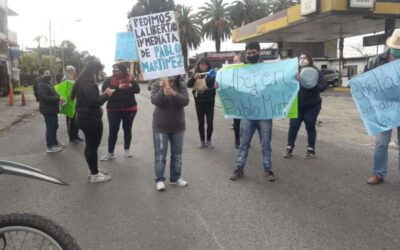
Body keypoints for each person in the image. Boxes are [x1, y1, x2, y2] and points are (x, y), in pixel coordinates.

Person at [230, 41, 276, 181]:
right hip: (248, 114)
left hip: (264, 113)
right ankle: (239, 169)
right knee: (243, 143)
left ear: (259, 52)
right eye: (248, 53)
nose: (251, 55)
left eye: (253, 53)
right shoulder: (240, 70)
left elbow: (280, 80)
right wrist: (219, 83)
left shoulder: (268, 69)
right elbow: (231, 84)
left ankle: (268, 170)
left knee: (266, 143)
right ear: (245, 54)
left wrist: (294, 77)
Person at [364, 29, 400, 185]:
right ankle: (378, 173)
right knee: (381, 142)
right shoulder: (377, 61)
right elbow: (365, 80)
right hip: (384, 108)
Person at [71, 61, 113, 183]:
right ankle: (95, 175)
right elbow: (94, 102)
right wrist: (107, 95)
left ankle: (92, 169)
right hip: (90, 119)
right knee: (92, 147)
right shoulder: (87, 83)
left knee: (90, 146)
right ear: (94, 71)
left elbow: (90, 100)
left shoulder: (83, 81)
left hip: (84, 118)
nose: (101, 73)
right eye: (100, 70)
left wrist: (103, 94)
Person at [283, 52, 327, 159]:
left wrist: (311, 83)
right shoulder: (294, 72)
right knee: (293, 127)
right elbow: (286, 84)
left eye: (305, 57)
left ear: (309, 59)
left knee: (310, 126)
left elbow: (323, 86)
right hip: (297, 106)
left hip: (312, 106)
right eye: (300, 58)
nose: (302, 59)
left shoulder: (316, 71)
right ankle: (289, 147)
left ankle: (311, 149)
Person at [151, 76, 189, 191]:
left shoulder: (181, 85)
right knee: (160, 155)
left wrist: (174, 94)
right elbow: (155, 101)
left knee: (177, 154)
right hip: (160, 126)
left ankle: (175, 178)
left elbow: (185, 101)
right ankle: (160, 179)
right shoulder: (157, 84)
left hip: (178, 126)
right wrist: (162, 91)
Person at [100, 63, 140, 161]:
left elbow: (137, 90)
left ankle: (127, 150)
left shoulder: (130, 78)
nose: (115, 72)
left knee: (127, 129)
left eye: (117, 70)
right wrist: (118, 87)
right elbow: (104, 89)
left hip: (129, 108)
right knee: (113, 130)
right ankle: (110, 152)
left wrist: (127, 87)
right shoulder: (109, 79)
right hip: (113, 109)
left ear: (122, 70)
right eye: (113, 70)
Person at [187, 57, 217, 149]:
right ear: (198, 65)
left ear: (208, 65)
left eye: (205, 64)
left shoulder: (212, 74)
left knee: (210, 123)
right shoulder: (196, 74)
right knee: (201, 122)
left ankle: (209, 140)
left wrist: (216, 84)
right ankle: (202, 141)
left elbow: (214, 84)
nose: (203, 66)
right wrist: (193, 78)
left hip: (209, 102)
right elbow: (188, 85)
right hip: (199, 102)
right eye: (201, 64)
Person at [36, 68, 64, 153]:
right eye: (46, 73)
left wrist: (59, 97)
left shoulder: (48, 83)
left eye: (49, 73)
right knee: (50, 127)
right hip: (47, 110)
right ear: (41, 75)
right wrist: (58, 98)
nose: (48, 75)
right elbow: (44, 97)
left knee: (55, 126)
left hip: (52, 109)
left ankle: (55, 142)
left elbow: (54, 93)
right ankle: (50, 146)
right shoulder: (41, 84)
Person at [56, 65, 84, 144]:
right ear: (70, 71)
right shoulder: (65, 79)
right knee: (71, 122)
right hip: (69, 104)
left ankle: (76, 136)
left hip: (74, 103)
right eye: (73, 72)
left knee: (75, 121)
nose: (74, 74)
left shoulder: (70, 79)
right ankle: (72, 138)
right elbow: (64, 92)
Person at [232, 53, 244, 148]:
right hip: (236, 102)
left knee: (245, 123)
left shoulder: (247, 72)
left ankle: (245, 139)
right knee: (237, 122)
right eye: (233, 61)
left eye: (236, 61)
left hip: (246, 102)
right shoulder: (230, 73)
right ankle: (237, 140)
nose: (234, 63)